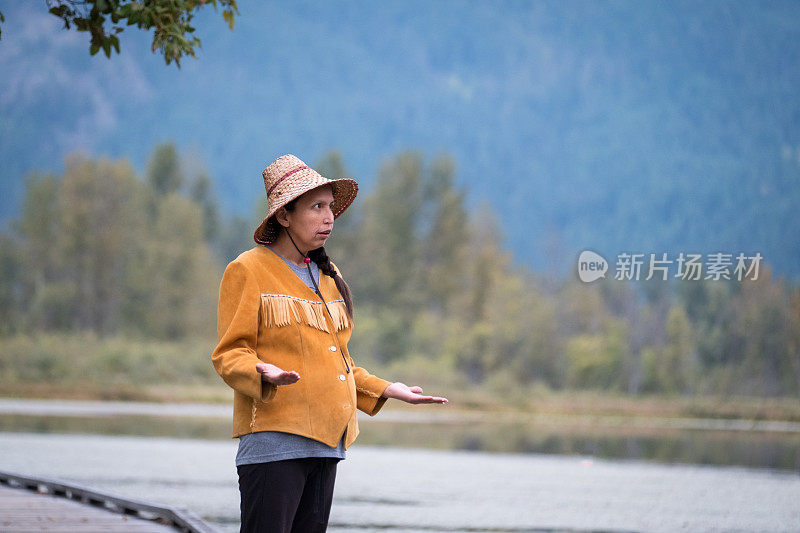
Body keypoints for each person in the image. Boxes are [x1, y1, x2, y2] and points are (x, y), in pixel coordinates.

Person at [211, 154, 449, 533]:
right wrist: (263, 370)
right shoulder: (247, 269)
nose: (328, 217)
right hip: (275, 445)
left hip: (327, 445)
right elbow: (229, 353)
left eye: (330, 208)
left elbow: (340, 364)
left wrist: (389, 388)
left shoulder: (328, 275)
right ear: (283, 216)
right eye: (316, 207)